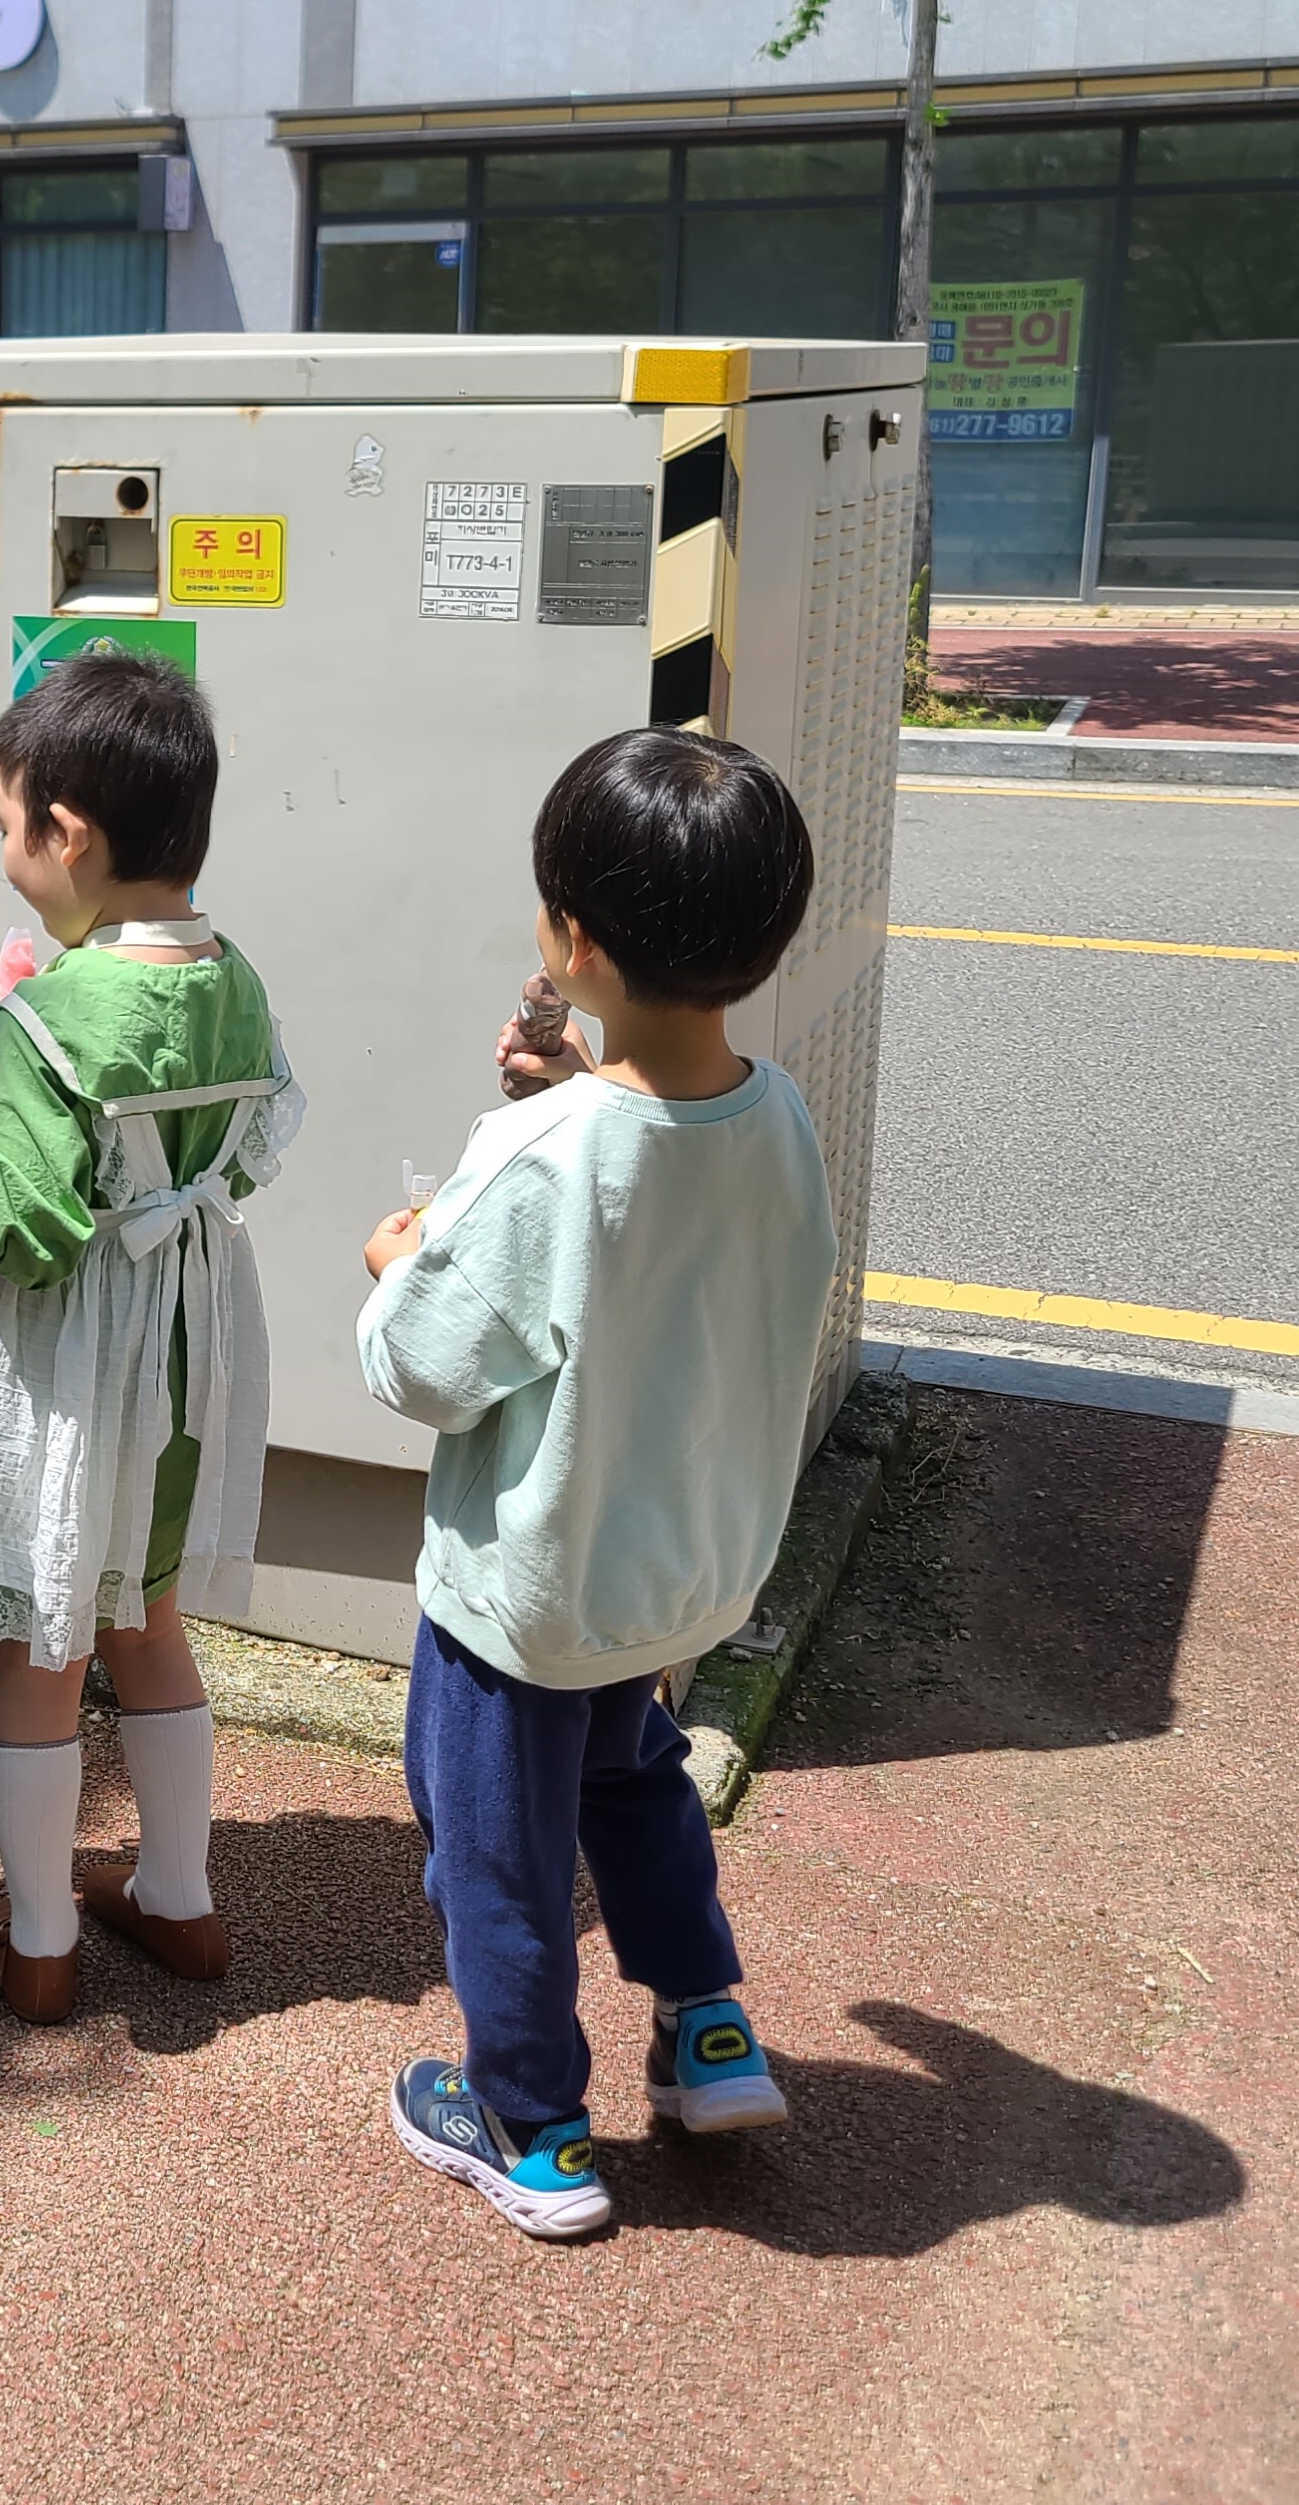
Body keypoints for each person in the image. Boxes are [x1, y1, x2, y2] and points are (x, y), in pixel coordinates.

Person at [359, 726, 837, 2241]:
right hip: (674, 1568)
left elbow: (421, 1363)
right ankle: (705, 2024)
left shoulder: (544, 1150)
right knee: (635, 1779)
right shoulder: (781, 1117)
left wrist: (398, 1255)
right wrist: (574, 1086)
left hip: (527, 1591)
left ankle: (529, 2118)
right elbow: (662, 1200)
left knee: (494, 1849)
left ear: (572, 940)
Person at [0, 653, 296, 2026]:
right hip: (184, 1356)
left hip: (64, 1372)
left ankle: (39, 1938)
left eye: (3, 823)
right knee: (148, 1617)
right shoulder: (236, 979)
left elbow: (18, 1230)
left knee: (40, 1648)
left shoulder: (51, 1020)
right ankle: (180, 1897)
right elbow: (260, 1144)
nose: (3, 847)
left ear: (69, 835)